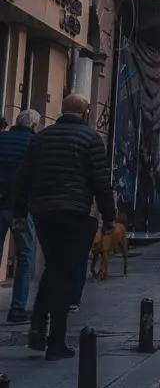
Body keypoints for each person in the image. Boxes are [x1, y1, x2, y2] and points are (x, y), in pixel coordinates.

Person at [13, 94, 115, 359]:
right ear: (85, 113)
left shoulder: (41, 138)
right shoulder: (91, 139)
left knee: (55, 267)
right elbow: (101, 182)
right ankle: (55, 340)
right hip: (76, 212)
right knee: (67, 273)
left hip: (44, 212)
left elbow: (24, 176)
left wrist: (20, 212)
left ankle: (38, 324)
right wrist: (109, 217)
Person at [0, 109, 40, 323]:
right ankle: (17, 308)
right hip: (19, 209)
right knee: (24, 255)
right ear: (34, 126)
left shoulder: (2, 138)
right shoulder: (35, 143)